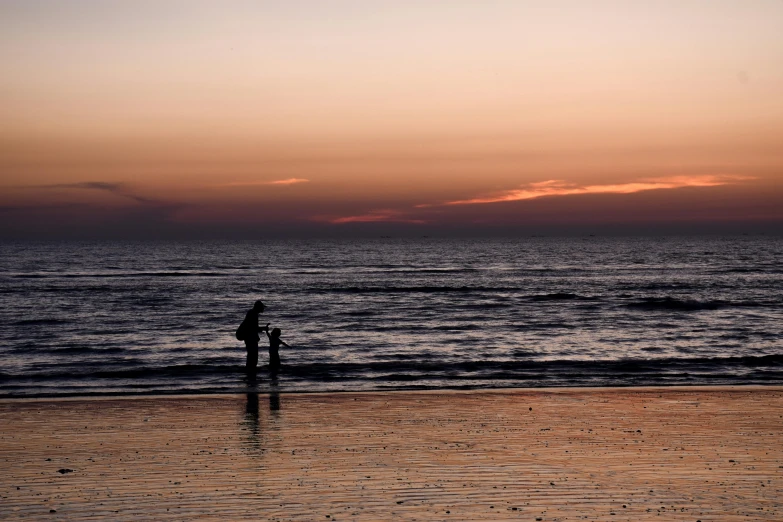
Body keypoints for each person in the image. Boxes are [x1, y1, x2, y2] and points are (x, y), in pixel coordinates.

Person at [239, 300, 269, 372]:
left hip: (250, 337)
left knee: (251, 355)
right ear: (259, 307)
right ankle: (251, 370)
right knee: (253, 355)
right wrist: (263, 328)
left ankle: (250, 370)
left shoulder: (252, 313)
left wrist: (262, 329)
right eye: (262, 307)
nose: (263, 309)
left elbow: (252, 327)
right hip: (250, 338)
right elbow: (253, 328)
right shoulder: (253, 314)